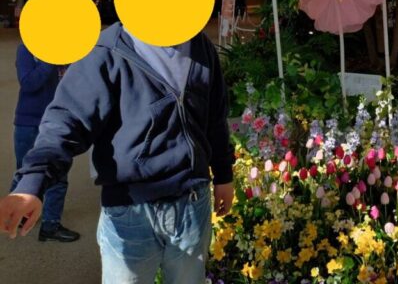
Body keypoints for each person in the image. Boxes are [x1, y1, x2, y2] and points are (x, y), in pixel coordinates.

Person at [0, 23, 235, 284]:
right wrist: (32, 183)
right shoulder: (105, 50)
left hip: (192, 205)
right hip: (130, 212)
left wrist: (224, 175)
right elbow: (65, 122)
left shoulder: (200, 45)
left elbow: (215, 117)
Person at [10, 43, 79, 242]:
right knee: (24, 172)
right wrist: (50, 58)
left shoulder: (67, 49)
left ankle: (51, 224)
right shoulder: (26, 49)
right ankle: (18, 214)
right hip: (28, 122)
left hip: (57, 122)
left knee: (58, 175)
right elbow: (28, 83)